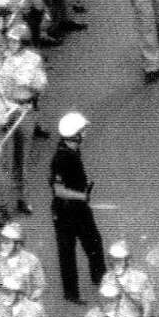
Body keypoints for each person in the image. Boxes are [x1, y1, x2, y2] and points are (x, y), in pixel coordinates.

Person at [49, 113, 106, 304]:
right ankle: (71, 293)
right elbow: (58, 190)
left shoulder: (73, 150)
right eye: (82, 131)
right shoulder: (61, 158)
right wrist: (82, 195)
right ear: (75, 134)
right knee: (67, 252)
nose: (85, 133)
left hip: (78, 208)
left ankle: (100, 278)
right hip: (66, 211)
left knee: (94, 242)